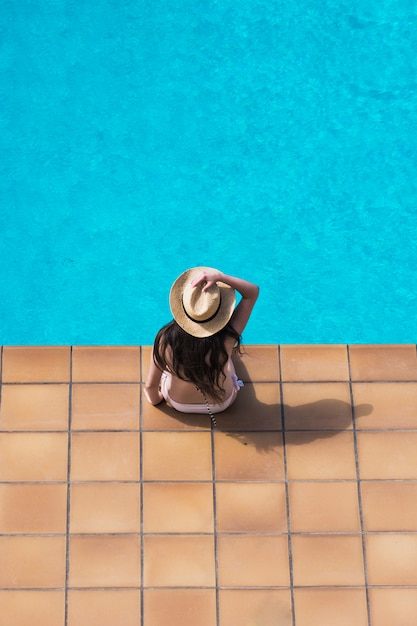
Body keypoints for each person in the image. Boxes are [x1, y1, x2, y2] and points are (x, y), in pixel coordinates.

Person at [144, 267, 259, 420]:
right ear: (219, 314)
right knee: (227, 361)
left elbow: (150, 387)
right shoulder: (228, 336)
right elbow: (252, 292)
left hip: (179, 403)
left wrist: (156, 399)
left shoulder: (165, 341)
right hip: (223, 402)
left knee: (169, 367)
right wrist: (221, 277)